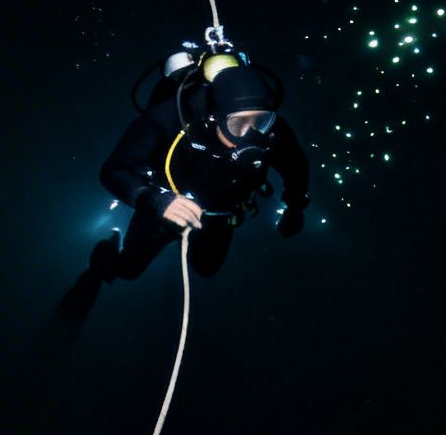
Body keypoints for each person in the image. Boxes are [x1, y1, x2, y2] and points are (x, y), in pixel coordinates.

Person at [58, 52, 309, 320]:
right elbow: (114, 170)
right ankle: (105, 256)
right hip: (162, 206)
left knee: (207, 267)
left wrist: (296, 206)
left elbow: (296, 165)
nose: (251, 136)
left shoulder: (274, 133)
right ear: (215, 118)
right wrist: (153, 201)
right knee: (128, 271)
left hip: (219, 215)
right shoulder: (168, 118)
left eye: (260, 121)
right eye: (237, 124)